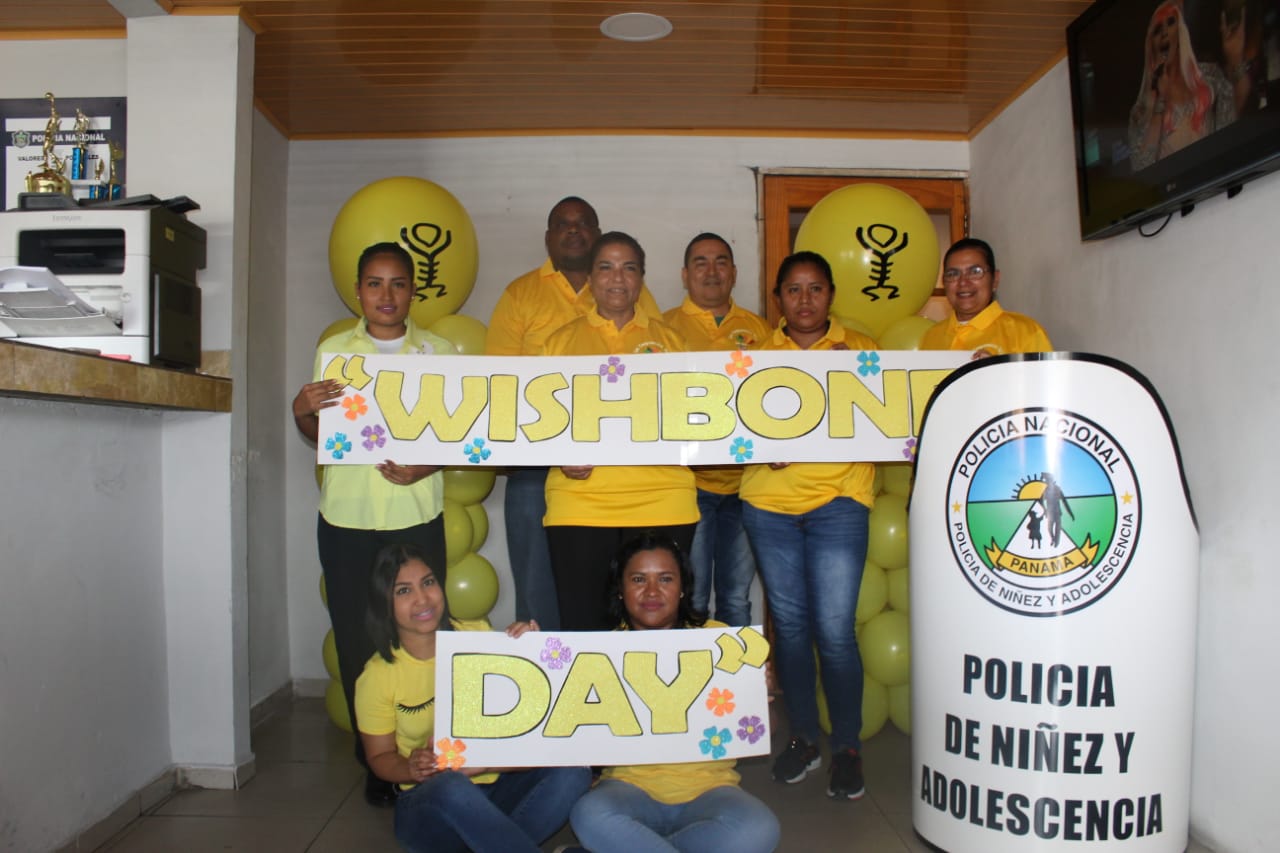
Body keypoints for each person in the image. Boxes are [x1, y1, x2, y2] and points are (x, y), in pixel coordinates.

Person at [292, 242, 456, 806]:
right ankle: (379, 763)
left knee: (426, 632)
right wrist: (300, 410)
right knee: (357, 637)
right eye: (374, 283)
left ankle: (437, 751)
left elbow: (458, 432)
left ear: (413, 291)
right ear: (358, 291)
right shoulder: (335, 351)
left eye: (397, 283)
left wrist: (424, 465)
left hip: (416, 514)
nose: (386, 295)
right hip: (348, 517)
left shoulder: (438, 353)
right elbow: (323, 436)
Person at [485, 197, 663, 631]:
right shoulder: (520, 293)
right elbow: (500, 382)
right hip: (537, 465)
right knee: (537, 589)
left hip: (622, 466)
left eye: (583, 223)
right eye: (562, 224)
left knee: (618, 586)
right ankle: (542, 663)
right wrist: (549, 447)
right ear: (548, 237)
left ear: (597, 233)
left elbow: (659, 368)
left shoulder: (634, 293)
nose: (573, 230)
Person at [739, 251, 876, 801]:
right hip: (768, 506)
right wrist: (758, 444)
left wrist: (853, 374)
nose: (804, 299)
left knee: (835, 631)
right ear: (778, 299)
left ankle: (847, 747)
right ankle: (803, 739)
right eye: (793, 289)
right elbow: (733, 427)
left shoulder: (861, 348)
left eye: (815, 288)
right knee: (791, 630)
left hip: (840, 502)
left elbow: (884, 420)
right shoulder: (752, 356)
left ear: (831, 295)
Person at [355, 543, 591, 853]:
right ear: (384, 603)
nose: (422, 599)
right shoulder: (377, 676)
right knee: (451, 785)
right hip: (429, 803)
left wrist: (532, 654)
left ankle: (495, 844)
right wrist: (410, 768)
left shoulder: (478, 636)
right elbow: (379, 757)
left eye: (428, 582)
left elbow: (528, 736)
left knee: (574, 771)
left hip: (496, 788)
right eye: (403, 591)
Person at [568, 533, 781, 853]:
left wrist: (760, 700)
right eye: (638, 579)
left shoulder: (721, 640)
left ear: (682, 588)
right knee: (588, 814)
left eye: (665, 579)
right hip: (628, 790)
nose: (652, 591)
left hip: (711, 790)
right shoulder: (600, 652)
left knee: (760, 830)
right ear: (621, 589)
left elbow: (768, 730)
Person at [539, 232, 698, 631]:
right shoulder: (558, 343)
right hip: (581, 502)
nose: (617, 278)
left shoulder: (673, 342)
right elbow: (536, 421)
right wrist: (557, 453)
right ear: (590, 278)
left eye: (629, 268)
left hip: (663, 497)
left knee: (659, 633)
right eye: (605, 267)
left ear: (641, 278)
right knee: (585, 630)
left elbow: (697, 419)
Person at [662, 233, 770, 627]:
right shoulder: (663, 328)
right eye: (701, 262)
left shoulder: (761, 330)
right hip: (688, 486)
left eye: (721, 261)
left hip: (747, 486)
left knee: (736, 598)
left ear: (734, 273)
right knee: (691, 598)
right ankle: (695, 670)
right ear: (685, 274)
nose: (712, 271)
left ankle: (736, 671)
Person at [1128, 0, 1236, 169]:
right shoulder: (1140, 111)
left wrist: (1235, 63)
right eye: (1157, 30)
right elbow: (1141, 166)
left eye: (1171, 23)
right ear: (1151, 44)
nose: (1164, 32)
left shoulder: (1208, 76)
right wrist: (1160, 101)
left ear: (1180, 32)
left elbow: (1232, 130)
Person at [920, 238, 1052, 357]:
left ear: (995, 279)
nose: (963, 282)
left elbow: (1044, 377)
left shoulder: (1026, 332)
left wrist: (993, 369)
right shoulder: (931, 337)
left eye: (975, 272)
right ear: (943, 282)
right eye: (953, 274)